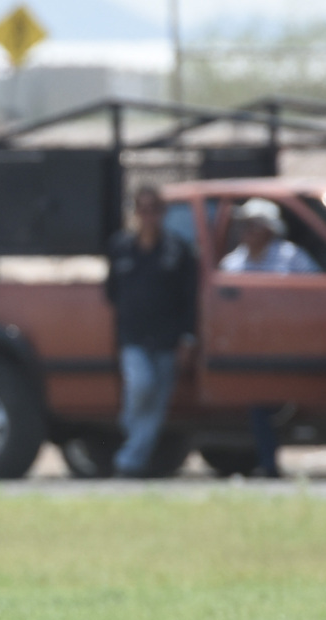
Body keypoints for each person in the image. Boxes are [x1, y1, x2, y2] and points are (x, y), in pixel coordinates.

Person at [218, 197, 319, 477]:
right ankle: (268, 464)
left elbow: (315, 297)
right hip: (253, 350)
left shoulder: (291, 258)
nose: (245, 231)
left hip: (292, 346)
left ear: (269, 229)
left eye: (252, 225)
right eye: (244, 225)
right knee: (258, 402)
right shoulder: (233, 263)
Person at [105, 185, 198, 478]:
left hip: (167, 337)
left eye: (154, 210)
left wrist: (187, 338)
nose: (149, 216)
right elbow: (111, 291)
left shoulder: (178, 250)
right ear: (135, 213)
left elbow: (189, 298)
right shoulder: (121, 246)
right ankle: (130, 452)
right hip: (133, 335)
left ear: (163, 212)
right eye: (143, 210)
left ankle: (130, 461)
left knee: (157, 404)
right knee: (141, 385)